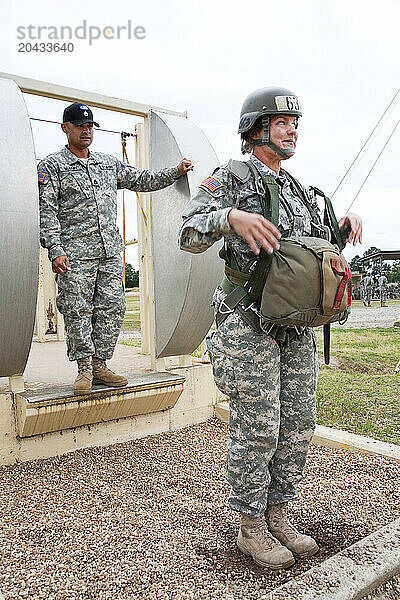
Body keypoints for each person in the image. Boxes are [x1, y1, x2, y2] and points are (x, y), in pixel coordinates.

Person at [179, 87, 362, 570]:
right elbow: (188, 231)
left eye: (295, 122)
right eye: (280, 122)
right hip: (248, 322)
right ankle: (250, 529)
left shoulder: (299, 189)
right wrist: (231, 217)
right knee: (259, 428)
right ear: (255, 130)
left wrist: (342, 228)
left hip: (295, 326)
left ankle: (278, 514)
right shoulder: (233, 177)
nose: (292, 129)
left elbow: (308, 251)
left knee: (298, 426)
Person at [39, 102, 193, 395]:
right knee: (77, 309)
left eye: (90, 126)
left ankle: (100, 365)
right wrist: (55, 249)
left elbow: (141, 179)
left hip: (109, 252)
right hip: (73, 255)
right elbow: (46, 211)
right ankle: (84, 368)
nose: (87, 131)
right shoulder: (51, 166)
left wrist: (175, 171)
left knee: (113, 306)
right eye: (80, 126)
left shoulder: (107, 164)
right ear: (65, 128)